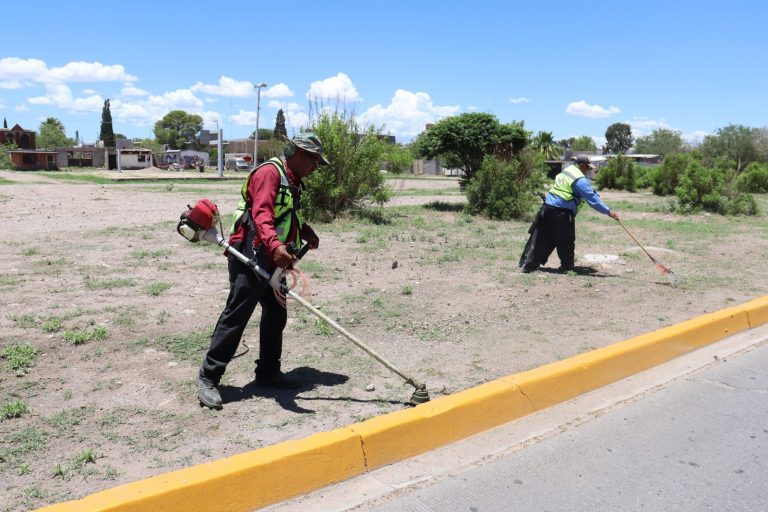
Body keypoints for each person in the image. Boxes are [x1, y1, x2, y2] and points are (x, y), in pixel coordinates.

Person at [197, 132, 330, 410]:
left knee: (275, 312)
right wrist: (275, 247)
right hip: (251, 252)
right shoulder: (270, 173)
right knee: (237, 314)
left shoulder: (291, 179)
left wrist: (305, 232)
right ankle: (209, 378)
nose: (316, 168)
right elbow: (262, 214)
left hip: (272, 256)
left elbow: (287, 213)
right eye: (315, 161)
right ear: (301, 154)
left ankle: (268, 372)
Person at [519, 154, 619, 273]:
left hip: (547, 208)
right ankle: (567, 267)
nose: (589, 169)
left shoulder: (568, 171)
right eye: (588, 167)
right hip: (561, 213)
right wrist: (608, 212)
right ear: (582, 165)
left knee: (542, 237)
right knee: (566, 240)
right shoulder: (580, 180)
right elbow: (593, 200)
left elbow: (579, 192)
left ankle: (530, 265)